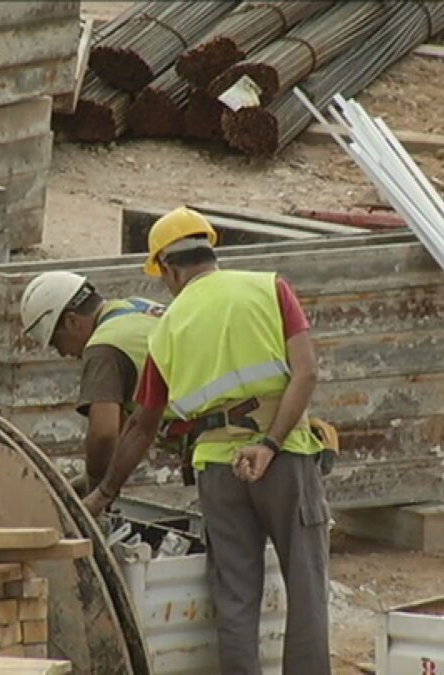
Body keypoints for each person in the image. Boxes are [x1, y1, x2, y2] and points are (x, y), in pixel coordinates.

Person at [83, 207, 332, 675]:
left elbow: (142, 426)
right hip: (284, 460)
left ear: (171, 270)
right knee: (307, 590)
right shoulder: (269, 288)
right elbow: (308, 371)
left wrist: (105, 492)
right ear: (210, 251)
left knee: (236, 598)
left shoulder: (167, 327)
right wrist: (271, 444)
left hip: (218, 470)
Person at [20, 271, 165, 493]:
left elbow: (104, 435)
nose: (62, 353)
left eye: (56, 342)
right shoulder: (137, 307)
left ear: (71, 322)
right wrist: (85, 479)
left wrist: (97, 490)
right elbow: (124, 424)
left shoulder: (103, 348)